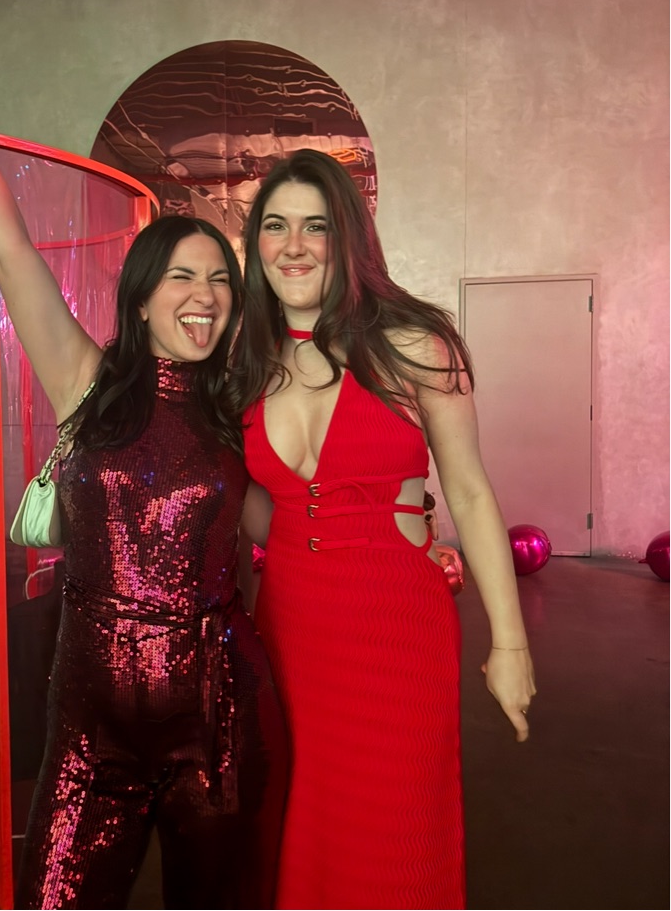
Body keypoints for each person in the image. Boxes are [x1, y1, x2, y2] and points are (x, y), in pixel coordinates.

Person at [0, 20, 288, 910]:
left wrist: (402, 539)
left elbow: (286, 535)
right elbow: (6, 237)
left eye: (219, 280)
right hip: (92, 731)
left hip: (219, 718)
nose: (205, 296)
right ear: (139, 299)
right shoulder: (88, 382)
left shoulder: (238, 414)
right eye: (182, 277)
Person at [230, 148, 537, 910]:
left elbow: (468, 491)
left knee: (397, 829)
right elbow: (265, 508)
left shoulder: (414, 344)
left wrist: (509, 643)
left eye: (315, 226)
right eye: (275, 226)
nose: (293, 245)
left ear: (348, 237)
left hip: (395, 629)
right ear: (255, 242)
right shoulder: (244, 363)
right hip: (291, 630)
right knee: (306, 825)